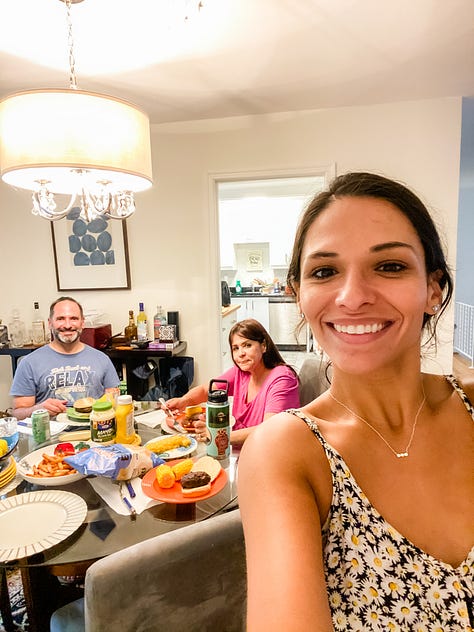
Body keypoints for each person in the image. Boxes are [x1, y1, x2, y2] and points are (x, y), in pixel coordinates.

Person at [238, 172, 474, 630]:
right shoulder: (287, 452)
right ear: (298, 296)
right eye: (324, 272)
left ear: (434, 289)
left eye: (389, 266)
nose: (352, 298)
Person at [166, 318, 300, 447]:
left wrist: (216, 435)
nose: (240, 353)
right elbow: (206, 390)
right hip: (241, 449)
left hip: (268, 455)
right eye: (235, 348)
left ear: (263, 346)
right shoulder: (241, 372)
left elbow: (269, 430)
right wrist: (184, 401)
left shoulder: (282, 379)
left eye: (247, 345)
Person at [11, 297, 120, 420]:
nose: (67, 325)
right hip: (50, 436)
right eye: (60, 319)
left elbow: (114, 401)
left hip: (94, 433)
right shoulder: (29, 363)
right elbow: (18, 414)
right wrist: (39, 409)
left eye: (73, 318)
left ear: (82, 323)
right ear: (50, 323)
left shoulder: (102, 359)